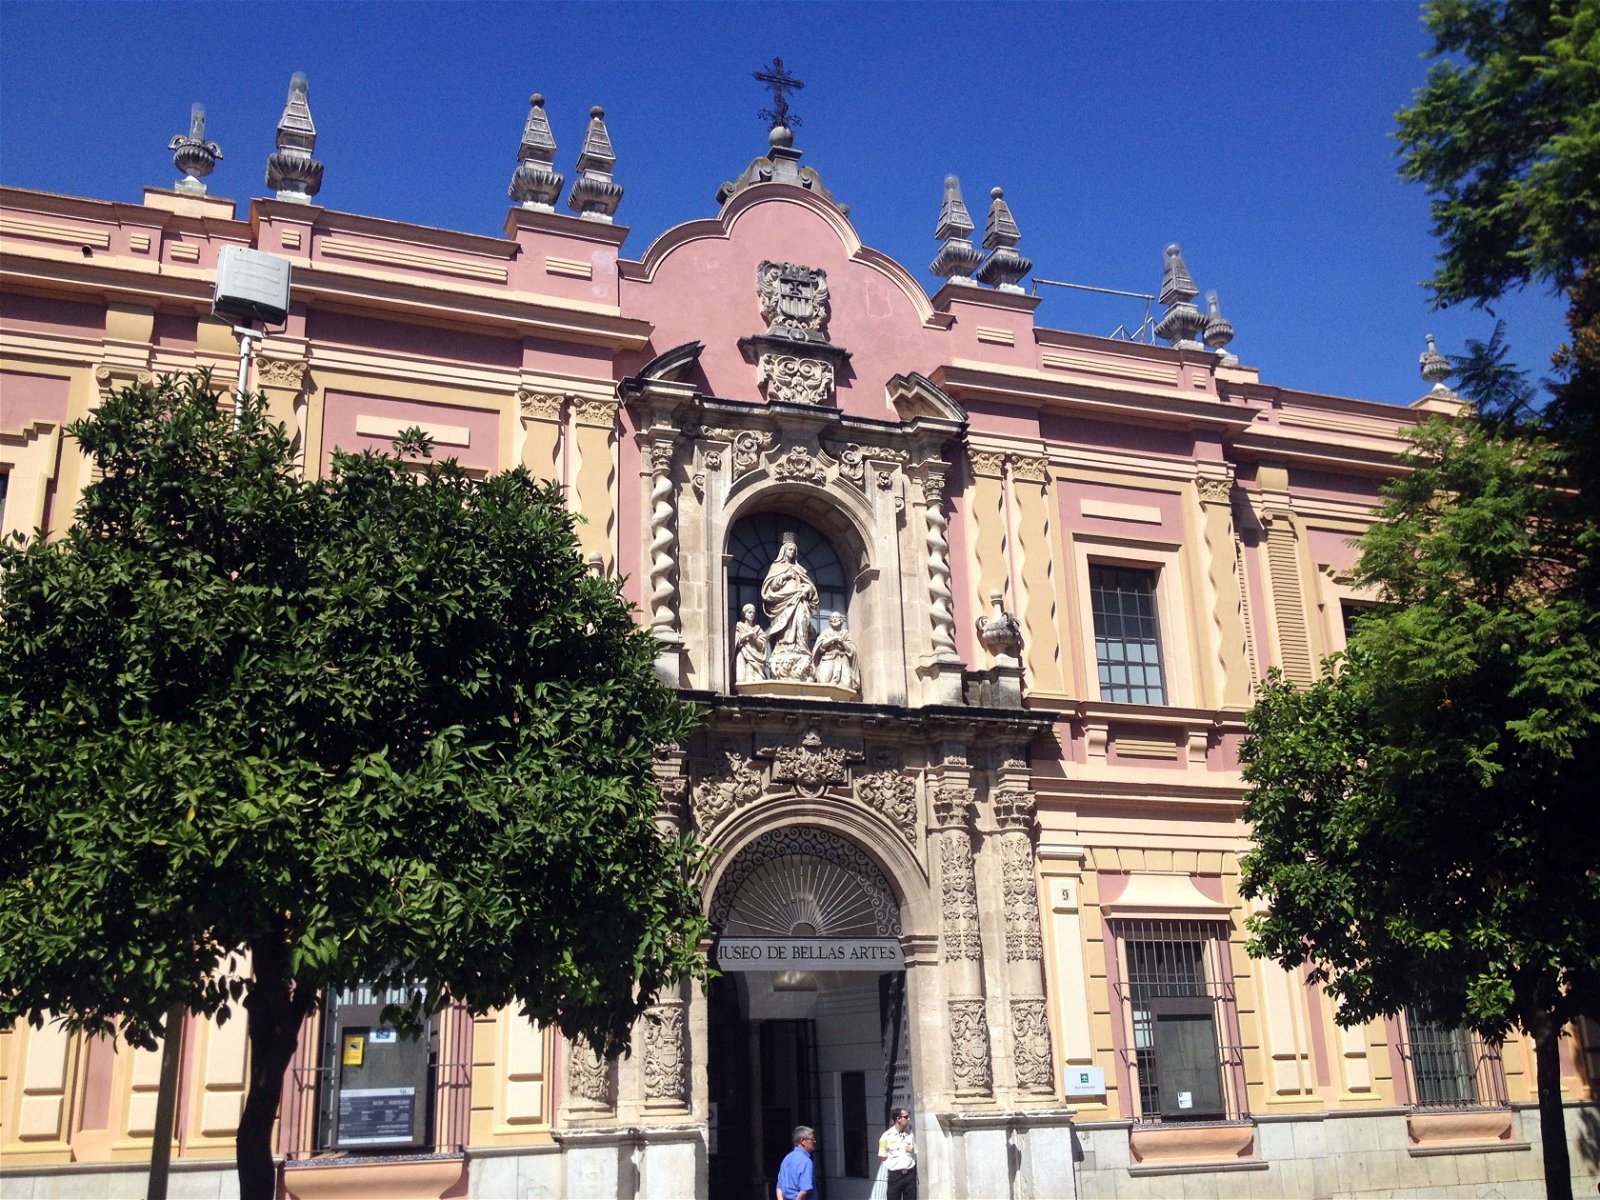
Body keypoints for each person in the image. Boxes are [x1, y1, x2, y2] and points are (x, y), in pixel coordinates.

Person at [761, 533, 819, 679]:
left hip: (799, 601)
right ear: (784, 551)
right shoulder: (776, 567)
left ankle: (801, 648)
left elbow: (811, 588)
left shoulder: (800, 569)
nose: (792, 552)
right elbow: (770, 587)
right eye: (790, 549)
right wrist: (785, 576)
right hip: (783, 602)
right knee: (785, 627)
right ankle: (784, 647)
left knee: (801, 621)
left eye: (794, 550)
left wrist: (807, 589)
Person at [812, 610, 860, 692]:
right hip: (828, 659)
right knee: (824, 681)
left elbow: (851, 650)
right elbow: (820, 646)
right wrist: (832, 639)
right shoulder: (826, 632)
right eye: (832, 617)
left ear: (841, 621)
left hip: (843, 660)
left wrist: (842, 642)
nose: (834, 619)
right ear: (829, 621)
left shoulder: (845, 633)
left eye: (836, 617)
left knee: (847, 684)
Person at [877, 1108, 916, 1200]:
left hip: (910, 1175)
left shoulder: (910, 1134)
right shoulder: (886, 1136)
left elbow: (913, 1152)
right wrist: (893, 1165)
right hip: (895, 1176)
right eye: (906, 1117)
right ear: (898, 1119)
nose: (908, 1119)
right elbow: (883, 1156)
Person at [775, 1125, 816, 1200]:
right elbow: (804, 1191)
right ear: (803, 1141)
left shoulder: (787, 1159)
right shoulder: (806, 1161)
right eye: (812, 1139)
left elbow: (779, 1188)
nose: (814, 1141)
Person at [733, 603, 769, 684]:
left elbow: (762, 645)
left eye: (753, 613)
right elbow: (736, 639)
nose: (752, 614)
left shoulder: (757, 629)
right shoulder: (739, 626)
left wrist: (755, 638)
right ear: (744, 614)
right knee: (742, 679)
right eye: (749, 612)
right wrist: (749, 634)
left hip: (756, 656)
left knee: (758, 680)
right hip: (743, 654)